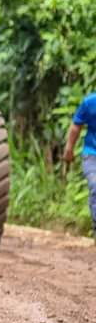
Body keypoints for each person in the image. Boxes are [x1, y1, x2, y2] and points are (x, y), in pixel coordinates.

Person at [64, 91, 96, 241]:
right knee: (95, 186)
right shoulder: (89, 102)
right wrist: (69, 149)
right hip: (92, 155)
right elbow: (76, 125)